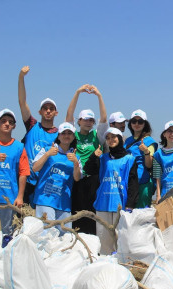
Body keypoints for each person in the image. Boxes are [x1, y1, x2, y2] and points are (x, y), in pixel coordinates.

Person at [84, 127, 138, 254]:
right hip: (103, 204)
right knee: (104, 242)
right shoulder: (103, 158)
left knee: (121, 241)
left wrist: (130, 205)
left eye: (113, 137)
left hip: (121, 205)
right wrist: (93, 157)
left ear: (119, 138)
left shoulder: (129, 159)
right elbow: (88, 169)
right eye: (108, 138)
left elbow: (133, 184)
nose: (110, 140)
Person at [65, 84, 108, 234]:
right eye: (85, 119)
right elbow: (68, 116)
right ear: (79, 121)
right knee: (77, 212)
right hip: (77, 178)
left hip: (93, 179)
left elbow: (103, 119)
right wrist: (77, 92)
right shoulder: (72, 135)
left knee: (92, 212)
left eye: (91, 120)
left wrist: (99, 95)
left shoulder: (97, 135)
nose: (88, 122)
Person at [18, 66, 59, 206]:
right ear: (40, 112)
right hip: (27, 181)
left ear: (56, 113)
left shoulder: (61, 134)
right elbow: (22, 102)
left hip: (47, 184)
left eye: (51, 109)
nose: (48, 111)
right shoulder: (32, 126)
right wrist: (21, 77)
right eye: (45, 108)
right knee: (22, 222)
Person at [32, 122, 82, 234]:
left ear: (73, 137)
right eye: (63, 133)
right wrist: (47, 155)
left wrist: (75, 163)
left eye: (70, 133)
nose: (66, 136)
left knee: (65, 235)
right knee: (46, 234)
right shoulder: (47, 150)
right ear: (58, 136)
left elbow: (77, 178)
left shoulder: (75, 157)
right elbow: (35, 168)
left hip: (64, 203)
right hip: (45, 199)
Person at [124, 109, 158, 208]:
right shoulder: (127, 141)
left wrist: (146, 152)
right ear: (130, 124)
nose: (137, 124)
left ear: (145, 124)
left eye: (140, 121)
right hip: (128, 183)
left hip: (143, 183)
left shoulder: (149, 141)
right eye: (134, 121)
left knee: (142, 215)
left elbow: (149, 165)